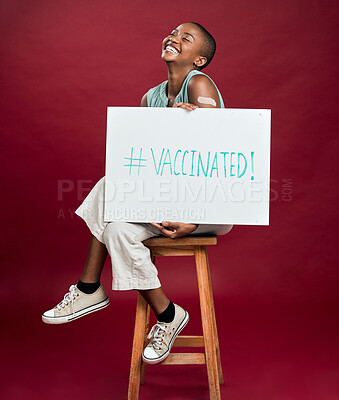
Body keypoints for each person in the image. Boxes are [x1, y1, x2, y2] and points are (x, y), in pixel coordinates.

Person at [42, 22, 232, 365]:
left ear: (200, 60)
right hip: (165, 200)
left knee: (107, 185)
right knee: (115, 228)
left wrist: (196, 119)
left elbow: (218, 146)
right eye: (173, 32)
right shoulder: (150, 98)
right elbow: (145, 160)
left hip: (204, 207)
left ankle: (88, 289)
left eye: (185, 38)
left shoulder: (199, 83)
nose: (174, 37)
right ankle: (169, 314)